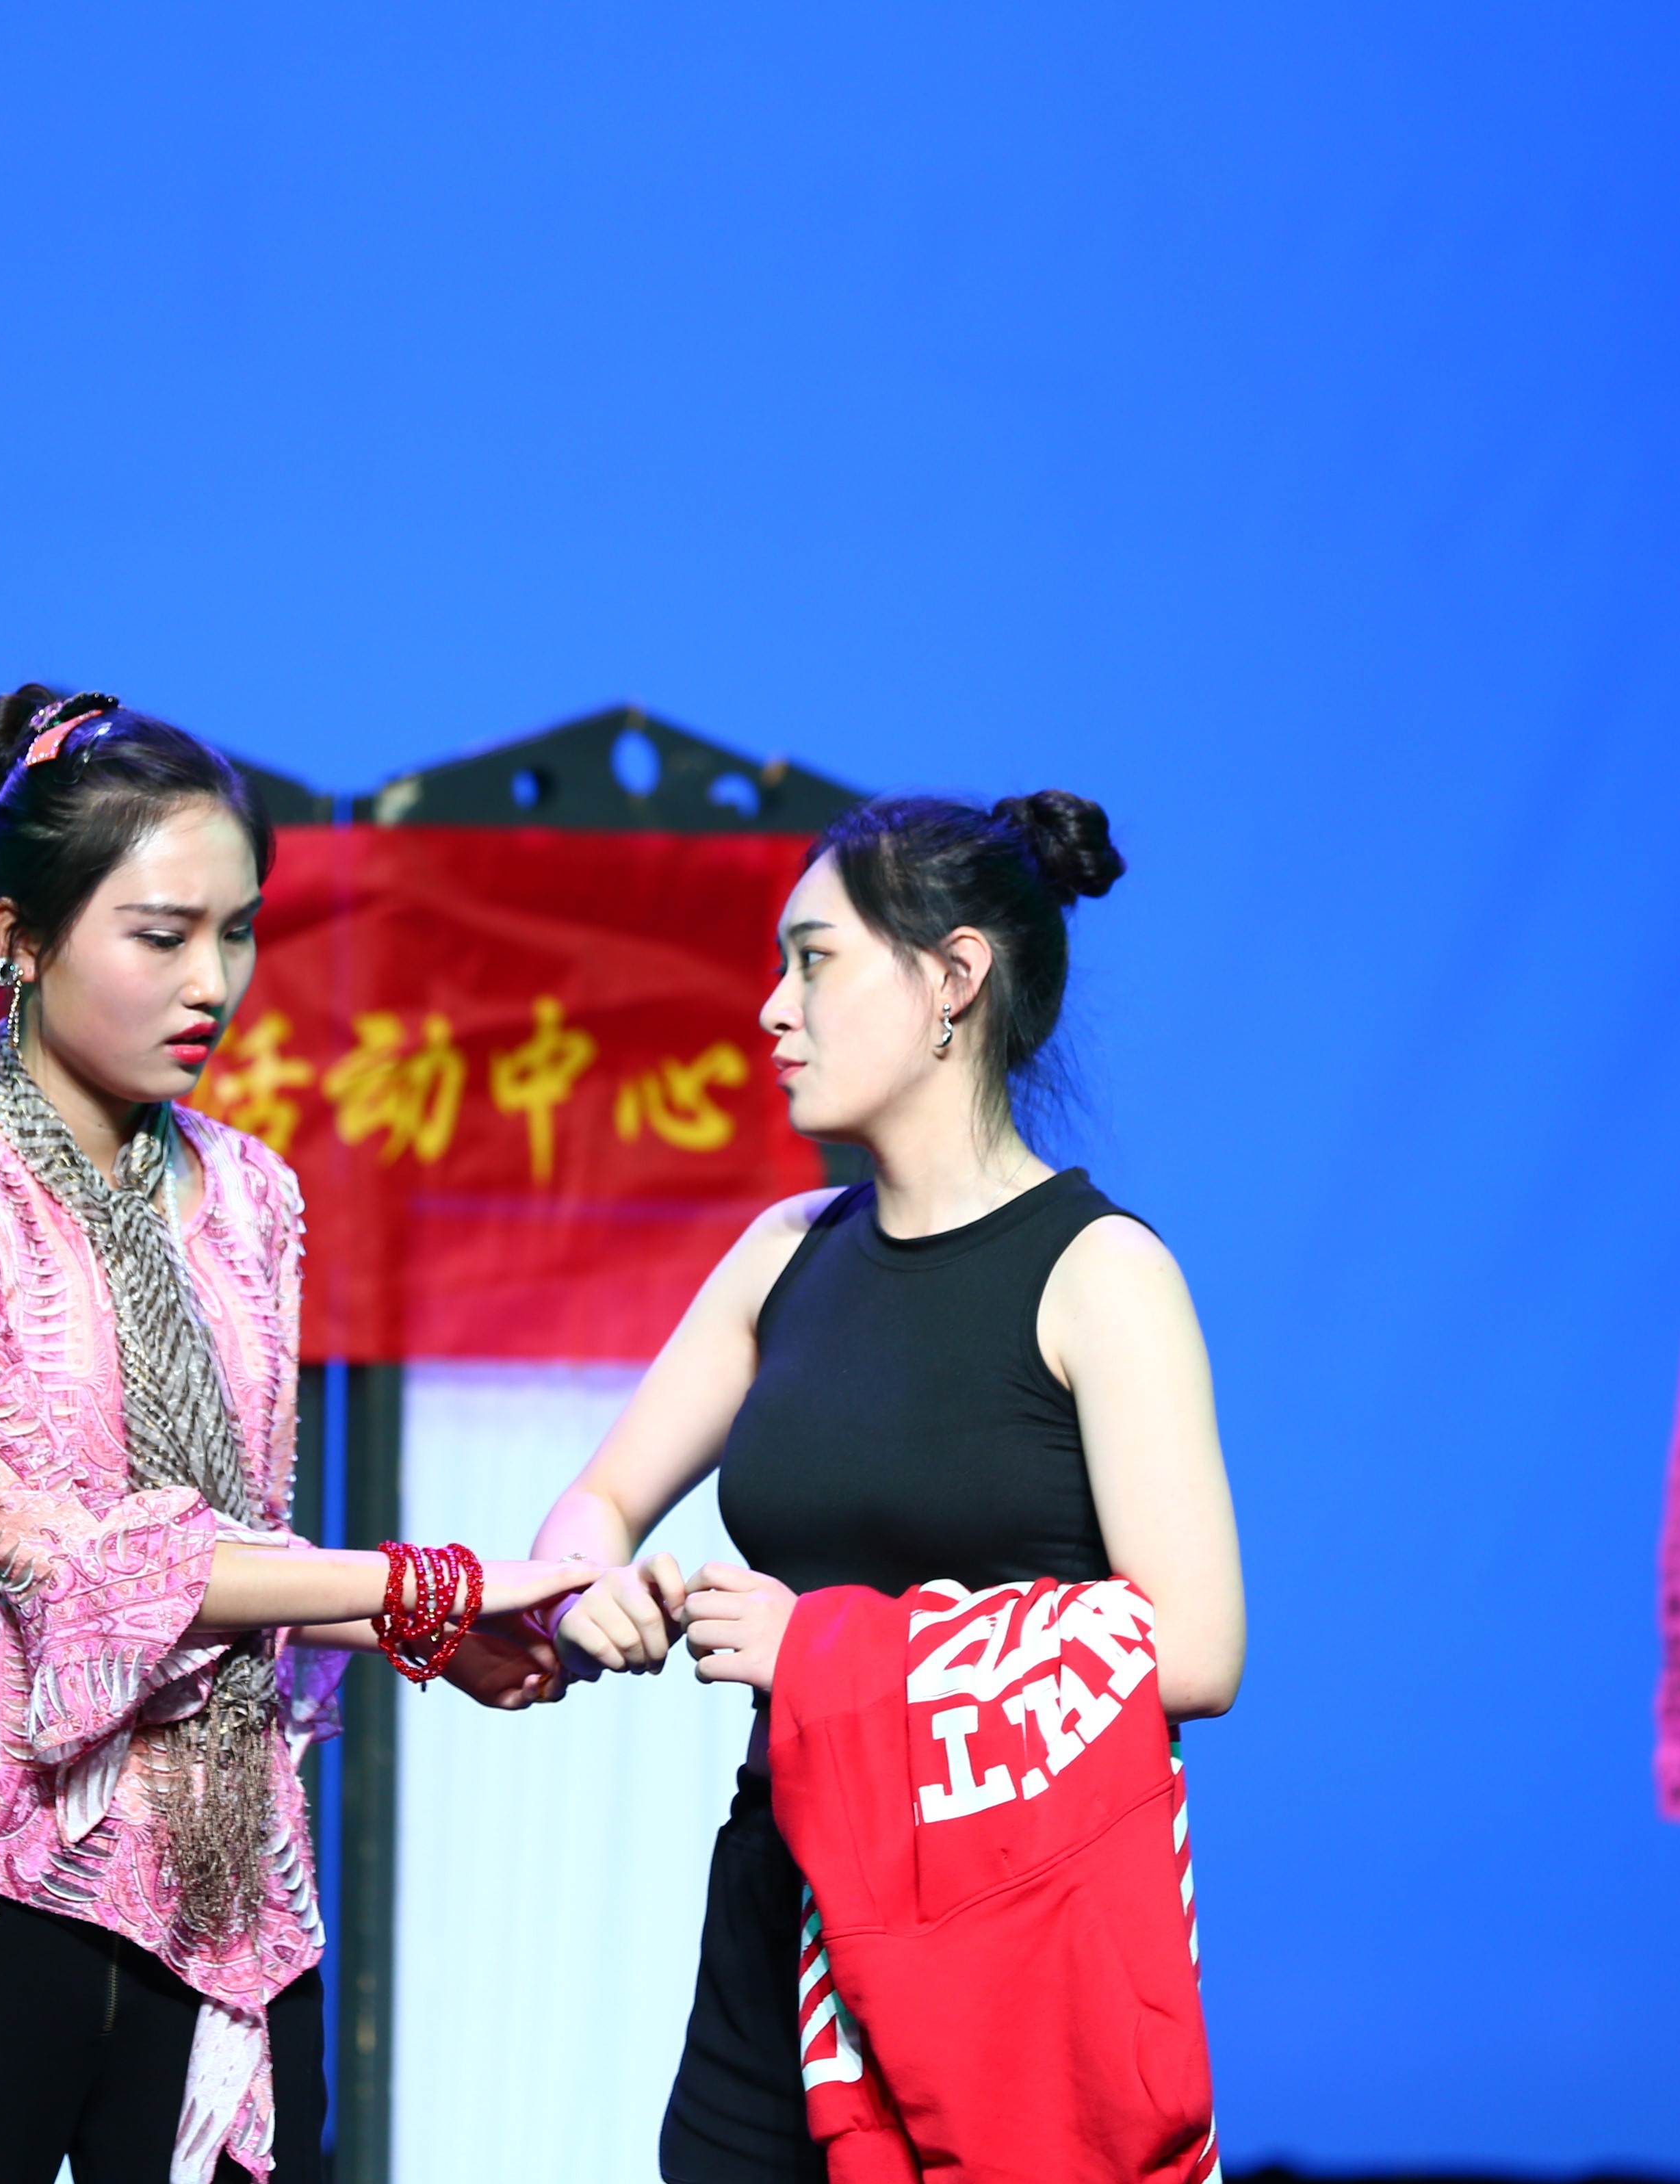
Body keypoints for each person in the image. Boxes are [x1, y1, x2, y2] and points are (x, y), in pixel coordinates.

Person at [0, 687, 588, 2184]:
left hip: (221, 1893)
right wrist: (413, 1588)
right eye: (161, 936)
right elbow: (80, 1569)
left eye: (239, 932)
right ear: (19, 938)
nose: (211, 982)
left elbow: (224, 1553)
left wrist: (420, 1628)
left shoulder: (254, 1198)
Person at [522, 788, 1248, 2184]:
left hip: (1003, 1938)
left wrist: (824, 1649)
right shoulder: (783, 1251)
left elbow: (1198, 1650)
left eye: (813, 961)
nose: (771, 1010)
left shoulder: (1100, 1275)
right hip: (778, 1905)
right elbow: (597, 1502)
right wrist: (585, 1586)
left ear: (952, 980)